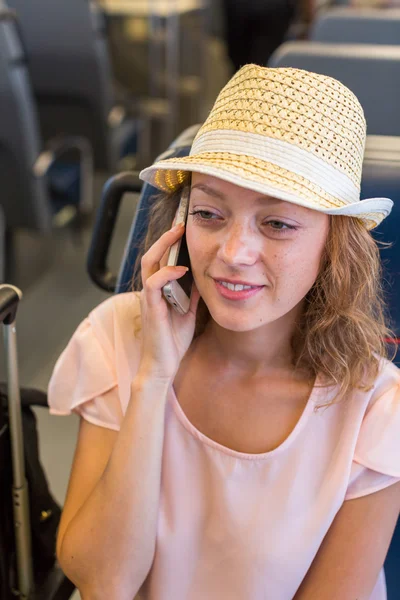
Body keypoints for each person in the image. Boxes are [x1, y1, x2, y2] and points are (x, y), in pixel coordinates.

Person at [48, 64, 400, 600]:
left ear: (334, 246)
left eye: (277, 224)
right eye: (210, 213)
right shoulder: (117, 334)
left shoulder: (376, 407)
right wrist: (152, 379)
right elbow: (104, 582)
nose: (233, 254)